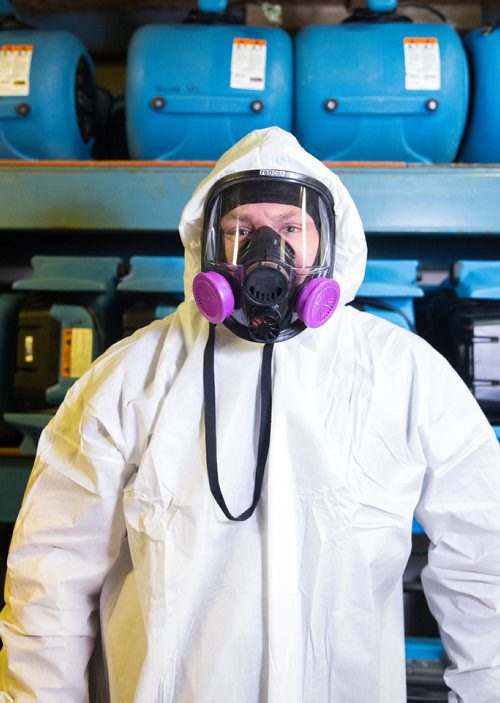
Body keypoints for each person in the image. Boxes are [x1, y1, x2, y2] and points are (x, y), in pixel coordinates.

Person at [1, 126, 500, 702]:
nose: (269, 253)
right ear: (207, 248)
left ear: (328, 244)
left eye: (291, 229)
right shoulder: (132, 377)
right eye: (241, 231)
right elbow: (52, 574)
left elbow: (484, 562)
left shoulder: (404, 374)